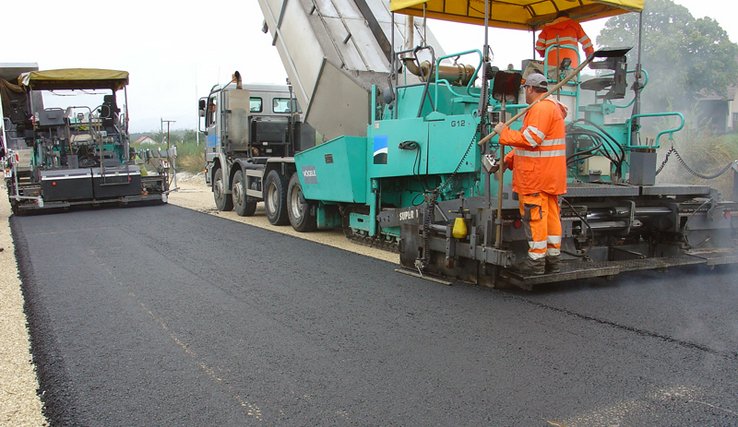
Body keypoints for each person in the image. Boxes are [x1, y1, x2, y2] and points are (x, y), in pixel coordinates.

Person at [494, 73, 567, 275]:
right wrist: (507, 161)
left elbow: (530, 140)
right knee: (551, 218)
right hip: (549, 176)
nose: (523, 93)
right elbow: (530, 146)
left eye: (524, 89)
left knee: (535, 218)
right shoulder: (550, 107)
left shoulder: (541, 108)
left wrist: (504, 132)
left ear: (530, 89)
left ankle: (536, 262)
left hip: (535, 177)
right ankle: (553, 261)